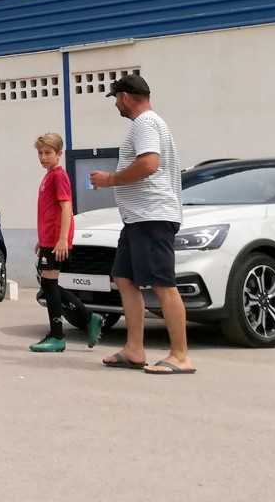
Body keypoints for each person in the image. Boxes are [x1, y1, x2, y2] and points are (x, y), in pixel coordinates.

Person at [90, 74, 194, 375]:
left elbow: (149, 163)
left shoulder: (145, 124)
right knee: (124, 278)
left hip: (152, 216)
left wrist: (111, 179)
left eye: (116, 99)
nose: (116, 105)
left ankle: (180, 356)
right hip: (138, 218)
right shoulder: (150, 123)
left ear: (124, 97)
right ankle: (134, 350)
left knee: (163, 284)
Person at [30, 133, 101, 353]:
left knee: (49, 285)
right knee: (48, 285)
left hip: (56, 240)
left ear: (59, 153)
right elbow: (48, 212)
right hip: (48, 240)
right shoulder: (48, 176)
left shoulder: (59, 176)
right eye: (40, 153)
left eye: (48, 153)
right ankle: (88, 318)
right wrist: (42, 240)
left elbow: (66, 207)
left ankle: (58, 335)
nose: (43, 157)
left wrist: (62, 239)